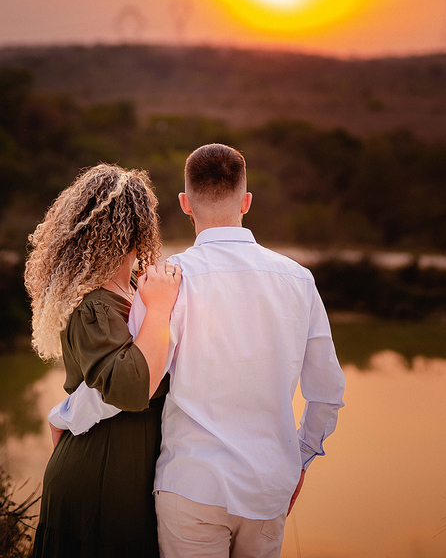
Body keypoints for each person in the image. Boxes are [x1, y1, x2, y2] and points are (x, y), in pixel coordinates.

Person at [49, 144, 346, 558]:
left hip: (192, 486)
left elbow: (135, 380)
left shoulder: (166, 281)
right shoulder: (299, 280)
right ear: (246, 201)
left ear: (185, 204)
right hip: (269, 486)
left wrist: (65, 416)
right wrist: (299, 460)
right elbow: (327, 394)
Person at [24, 163, 182, 558]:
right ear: (137, 228)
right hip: (101, 479)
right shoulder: (93, 303)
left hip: (133, 477)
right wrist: (160, 310)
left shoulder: (132, 291)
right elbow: (129, 386)